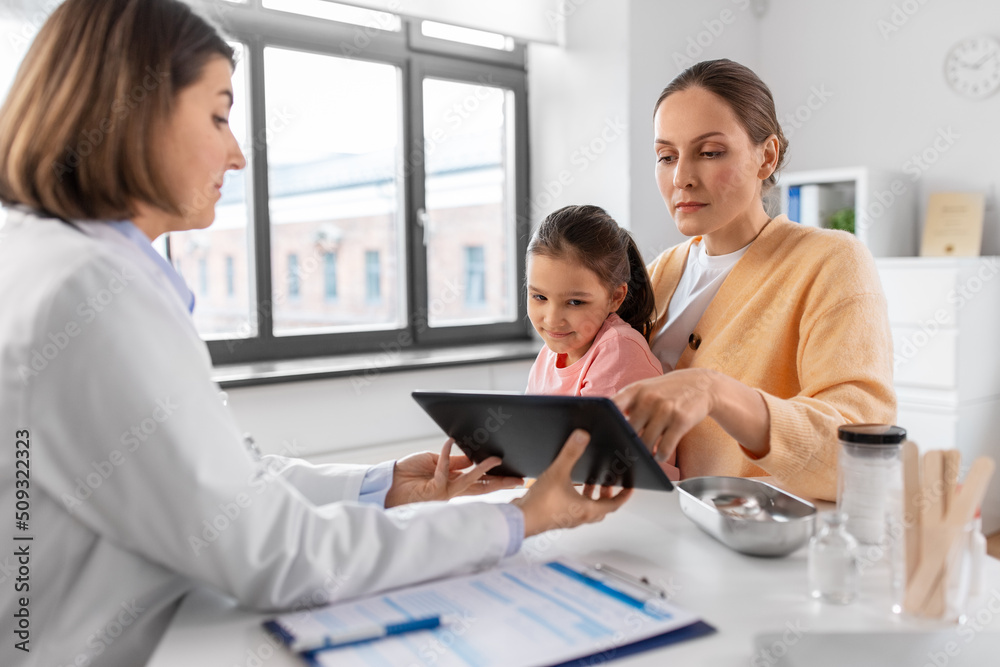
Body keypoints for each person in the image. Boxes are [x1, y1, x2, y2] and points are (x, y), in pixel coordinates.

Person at [0, 2, 629, 665]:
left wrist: (386, 485)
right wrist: (521, 517)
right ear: (134, 112)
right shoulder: (92, 293)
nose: (237, 153)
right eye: (218, 114)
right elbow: (277, 553)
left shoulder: (49, 261)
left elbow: (225, 484)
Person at [613, 59, 895, 502]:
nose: (681, 177)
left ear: (767, 156)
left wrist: (716, 392)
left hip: (750, 550)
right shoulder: (659, 273)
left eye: (709, 152)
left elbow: (860, 448)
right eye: (666, 156)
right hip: (647, 536)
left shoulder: (831, 262)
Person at [525, 205, 663, 397]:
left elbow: (591, 428)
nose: (552, 320)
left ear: (615, 297)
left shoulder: (619, 348)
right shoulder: (549, 354)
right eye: (540, 297)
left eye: (575, 302)